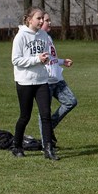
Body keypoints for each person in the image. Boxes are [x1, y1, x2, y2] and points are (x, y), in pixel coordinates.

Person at [11, 6, 58, 160]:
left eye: (42, 19)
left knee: (46, 115)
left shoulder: (43, 35)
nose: (41, 21)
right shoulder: (21, 37)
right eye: (38, 18)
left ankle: (48, 149)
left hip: (41, 81)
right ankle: (16, 146)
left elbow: (47, 56)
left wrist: (62, 61)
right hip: (25, 82)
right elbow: (16, 60)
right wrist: (36, 59)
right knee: (25, 116)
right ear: (29, 19)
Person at [37, 13, 77, 146]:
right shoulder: (37, 39)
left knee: (71, 101)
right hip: (46, 81)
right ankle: (46, 144)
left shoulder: (48, 37)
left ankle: (48, 128)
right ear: (40, 22)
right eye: (47, 21)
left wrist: (62, 61)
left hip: (57, 79)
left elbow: (51, 58)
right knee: (44, 113)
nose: (50, 23)